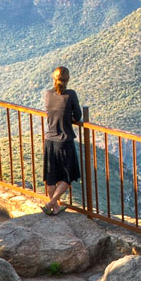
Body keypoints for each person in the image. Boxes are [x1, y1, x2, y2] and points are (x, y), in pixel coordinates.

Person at [42, 66, 82, 215]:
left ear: (54, 78)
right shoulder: (70, 95)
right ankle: (51, 203)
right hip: (64, 141)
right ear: (67, 79)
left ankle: (55, 208)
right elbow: (77, 116)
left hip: (49, 141)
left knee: (51, 176)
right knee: (68, 175)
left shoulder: (47, 94)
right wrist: (69, 118)